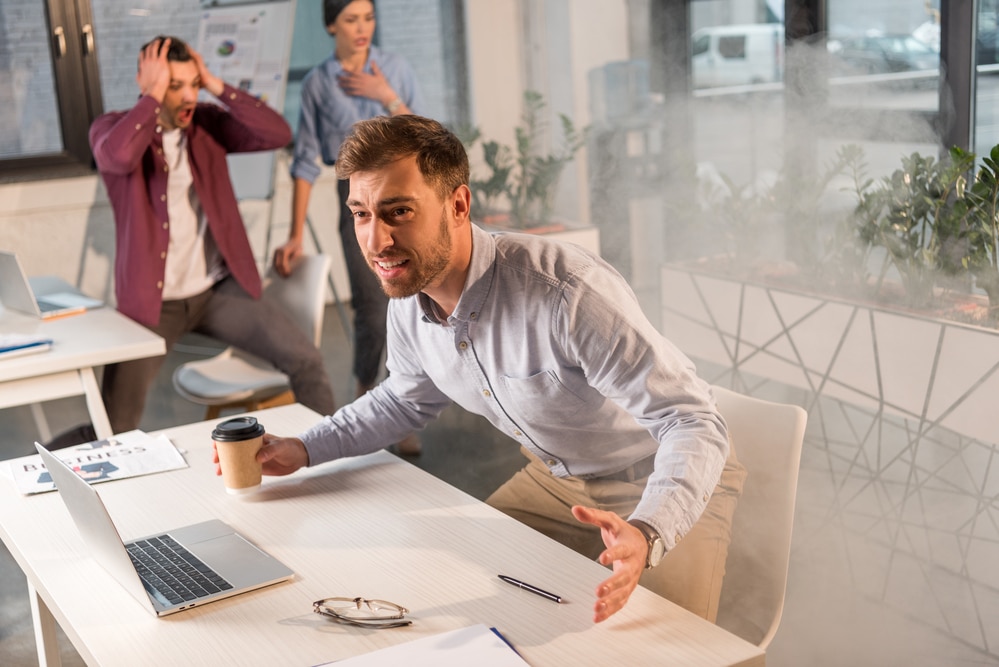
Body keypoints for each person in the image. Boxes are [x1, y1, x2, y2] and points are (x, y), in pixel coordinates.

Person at [244, 115, 746, 624]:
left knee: (674, 648)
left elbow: (691, 421)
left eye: (398, 212)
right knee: (466, 597)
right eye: (361, 214)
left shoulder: (566, 292)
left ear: (458, 205)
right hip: (558, 481)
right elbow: (404, 398)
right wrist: (305, 447)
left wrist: (649, 530)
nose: (376, 241)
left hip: (655, 474)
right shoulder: (410, 295)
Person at [88, 36, 336, 435]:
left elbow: (276, 132)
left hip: (217, 293)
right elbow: (116, 157)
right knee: (112, 426)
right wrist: (151, 98)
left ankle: (326, 458)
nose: (188, 96)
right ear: (146, 82)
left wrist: (215, 84)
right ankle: (41, 467)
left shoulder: (207, 123)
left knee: (306, 360)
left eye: (193, 84)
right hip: (154, 306)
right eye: (174, 85)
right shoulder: (112, 128)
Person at [275, 0, 423, 455]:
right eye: (351, 20)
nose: (362, 29)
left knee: (415, 305)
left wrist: (386, 96)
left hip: (409, 199)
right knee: (372, 307)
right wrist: (295, 233)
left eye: (369, 18)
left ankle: (406, 405)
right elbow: (304, 162)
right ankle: (367, 398)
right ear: (330, 25)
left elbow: (428, 139)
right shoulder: (319, 84)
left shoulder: (394, 68)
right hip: (358, 205)